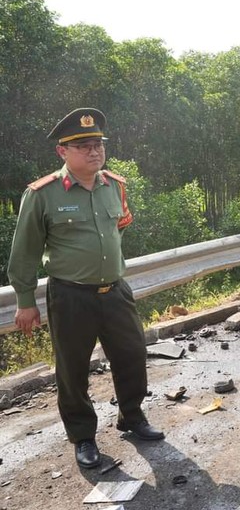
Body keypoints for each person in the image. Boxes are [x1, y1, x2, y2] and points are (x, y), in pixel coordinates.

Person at [7, 108, 165, 470]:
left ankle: (132, 417)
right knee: (72, 369)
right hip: (70, 295)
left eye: (98, 145)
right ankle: (84, 437)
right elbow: (24, 252)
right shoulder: (42, 194)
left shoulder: (116, 185)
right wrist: (25, 300)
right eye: (83, 146)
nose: (94, 152)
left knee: (131, 354)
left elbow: (118, 229)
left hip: (115, 290)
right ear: (62, 152)